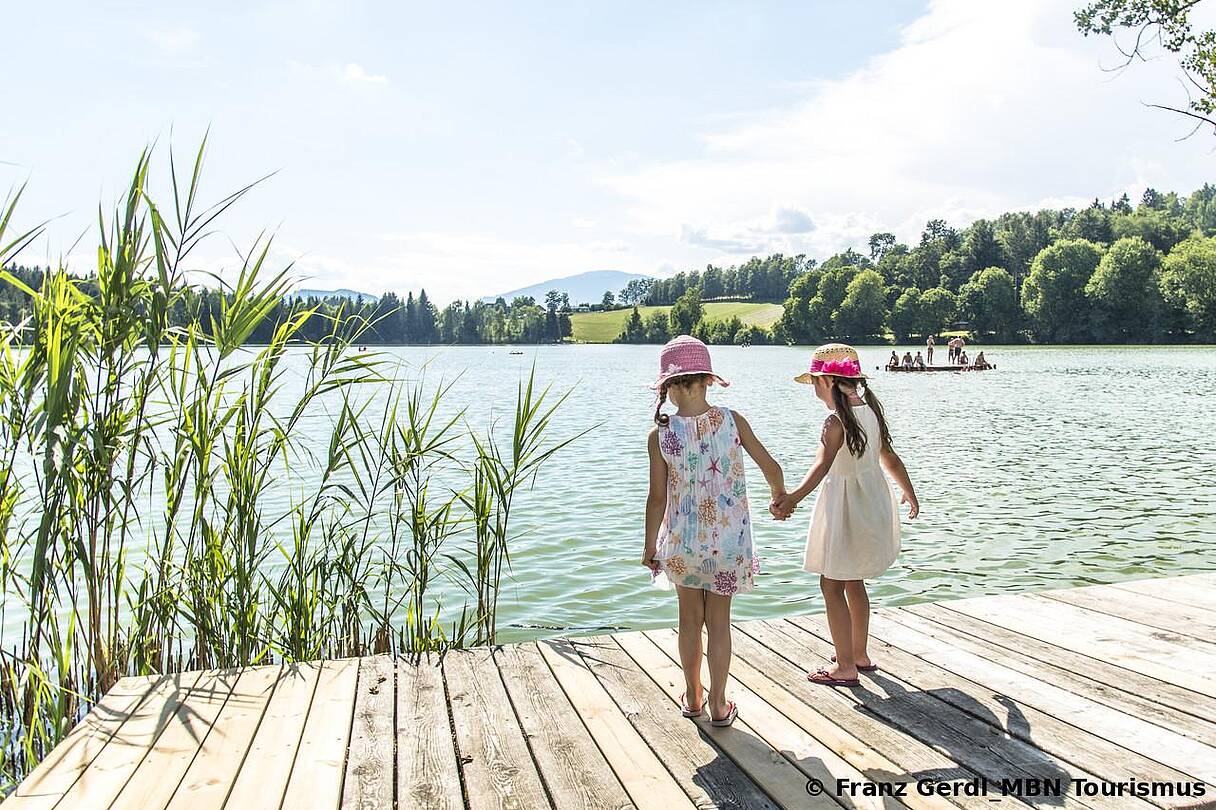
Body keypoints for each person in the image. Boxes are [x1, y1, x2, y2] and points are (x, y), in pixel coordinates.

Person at [642, 335, 786, 726]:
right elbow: (771, 467)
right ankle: (719, 705)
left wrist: (649, 547)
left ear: (670, 386)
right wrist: (779, 498)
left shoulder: (661, 436)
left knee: (689, 620)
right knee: (719, 622)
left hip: (682, 543)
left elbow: (657, 500)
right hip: (728, 542)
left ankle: (692, 697)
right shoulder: (732, 420)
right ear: (707, 380)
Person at [773, 343, 919, 687]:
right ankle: (860, 654)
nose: (812, 388)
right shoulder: (870, 412)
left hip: (846, 509)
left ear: (826, 382)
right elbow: (891, 459)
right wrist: (909, 492)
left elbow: (821, 466)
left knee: (831, 584)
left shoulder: (835, 422)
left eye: (814, 382)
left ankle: (845, 666)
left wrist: (792, 498)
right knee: (854, 580)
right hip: (871, 504)